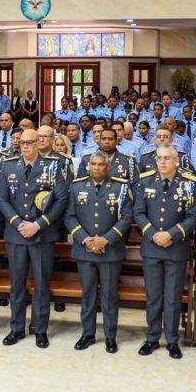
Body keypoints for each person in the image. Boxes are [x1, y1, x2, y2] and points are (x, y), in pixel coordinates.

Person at [0, 128, 69, 348]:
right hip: (17, 234)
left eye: (30, 142)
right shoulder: (8, 165)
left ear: (39, 143)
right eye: (22, 143)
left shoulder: (52, 166)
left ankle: (40, 329)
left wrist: (39, 224)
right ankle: (16, 328)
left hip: (42, 235)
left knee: (41, 284)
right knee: (17, 285)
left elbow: (61, 199)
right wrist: (19, 223)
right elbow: (2, 200)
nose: (25, 146)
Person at [134, 145, 196, 359]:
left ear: (176, 161)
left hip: (176, 248)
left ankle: (172, 340)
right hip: (152, 248)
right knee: (153, 296)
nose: (162, 162)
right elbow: (139, 212)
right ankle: (152, 337)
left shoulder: (189, 184)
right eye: (159, 158)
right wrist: (154, 234)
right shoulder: (145, 181)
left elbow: (193, 217)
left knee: (172, 297)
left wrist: (171, 234)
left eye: (167, 158)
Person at [66, 151, 133, 353]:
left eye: (101, 164)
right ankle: (87, 334)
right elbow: (69, 217)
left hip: (110, 251)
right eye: (93, 164)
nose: (96, 167)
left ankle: (110, 336)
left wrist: (106, 239)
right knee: (88, 295)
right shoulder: (77, 187)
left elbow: (126, 218)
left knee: (110, 296)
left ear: (108, 167)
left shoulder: (121, 187)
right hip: (84, 250)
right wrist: (86, 239)